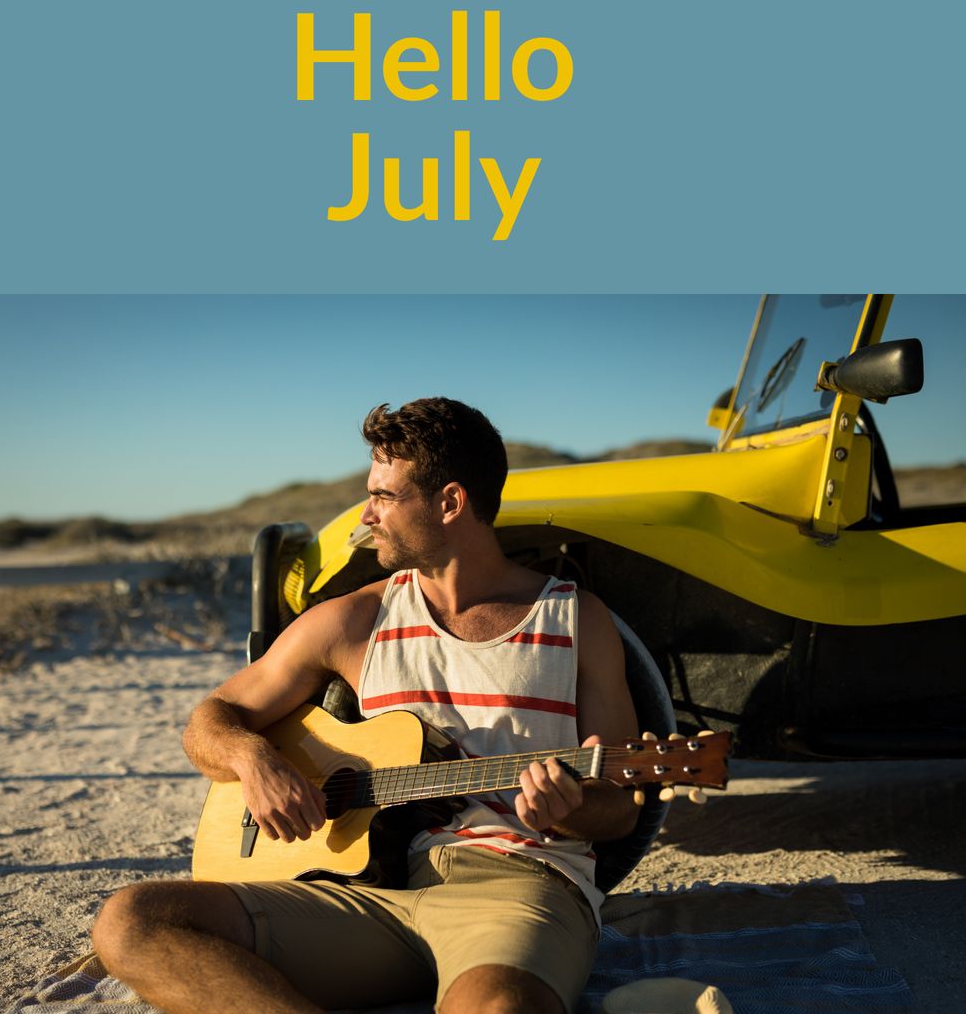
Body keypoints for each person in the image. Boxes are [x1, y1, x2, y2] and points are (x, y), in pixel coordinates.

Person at [92, 397, 640, 1014]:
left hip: (517, 888)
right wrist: (253, 761)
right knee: (132, 921)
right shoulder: (354, 621)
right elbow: (210, 719)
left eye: (383, 496)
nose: (366, 513)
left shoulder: (575, 620)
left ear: (451, 503)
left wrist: (567, 811)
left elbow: (619, 809)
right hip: (367, 890)